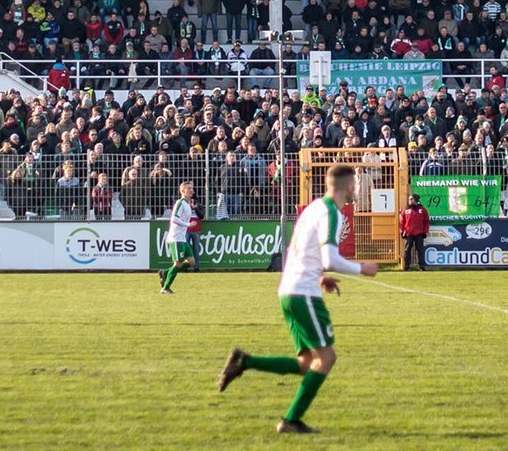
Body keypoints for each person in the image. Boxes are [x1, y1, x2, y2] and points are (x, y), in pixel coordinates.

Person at [216, 165, 378, 435]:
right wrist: (363, 268)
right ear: (349, 186)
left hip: (289, 290)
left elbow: (297, 249)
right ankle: (290, 421)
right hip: (303, 294)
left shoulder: (313, 208)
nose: (357, 190)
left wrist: (319, 276)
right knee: (326, 359)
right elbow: (329, 258)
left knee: (306, 363)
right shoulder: (331, 213)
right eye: (357, 185)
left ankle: (244, 361)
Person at [158, 180, 196, 294]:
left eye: (191, 188)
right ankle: (165, 288)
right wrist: (188, 224)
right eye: (188, 188)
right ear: (182, 191)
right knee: (178, 263)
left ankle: (165, 272)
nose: (191, 190)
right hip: (175, 238)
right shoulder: (180, 203)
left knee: (192, 262)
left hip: (182, 238)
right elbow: (174, 218)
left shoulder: (188, 204)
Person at [399, 193, 430, 271]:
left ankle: (421, 266)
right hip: (409, 233)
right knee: (407, 250)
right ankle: (407, 267)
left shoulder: (422, 210)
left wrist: (425, 231)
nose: (409, 201)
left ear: (416, 200)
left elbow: (426, 221)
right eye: (409, 199)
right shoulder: (406, 210)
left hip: (419, 233)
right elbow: (402, 221)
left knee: (420, 250)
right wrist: (401, 231)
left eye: (411, 199)